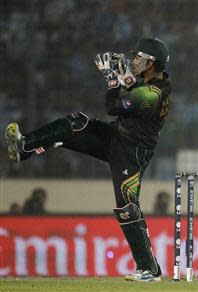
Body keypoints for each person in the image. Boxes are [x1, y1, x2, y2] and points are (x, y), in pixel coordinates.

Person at [5, 38, 171, 282]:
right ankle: (25, 146)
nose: (134, 61)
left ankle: (150, 269)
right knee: (77, 123)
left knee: (127, 208)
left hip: (132, 153)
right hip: (116, 137)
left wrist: (111, 78)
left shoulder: (153, 94)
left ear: (151, 62)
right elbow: (133, 91)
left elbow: (112, 106)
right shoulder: (154, 83)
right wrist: (124, 75)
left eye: (139, 58)